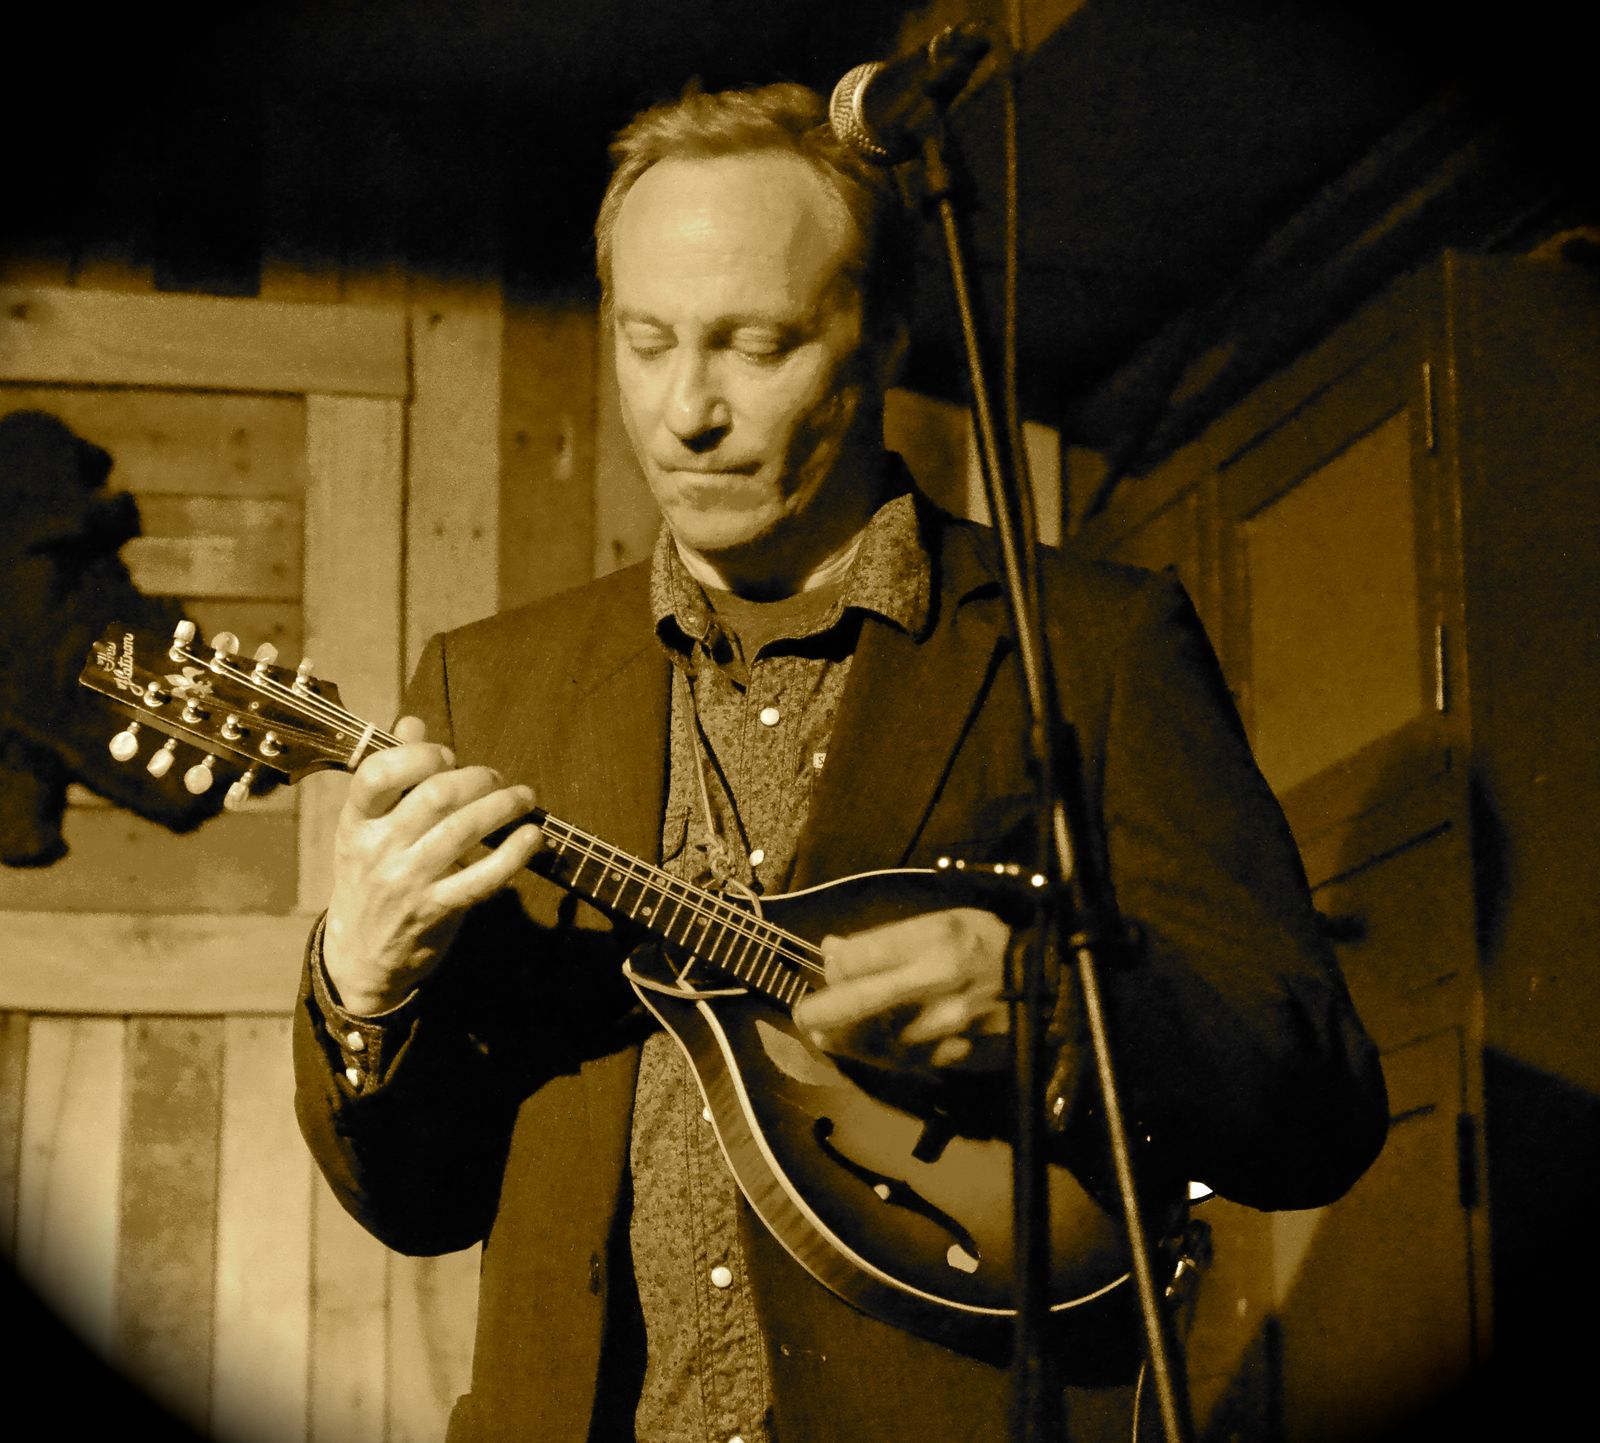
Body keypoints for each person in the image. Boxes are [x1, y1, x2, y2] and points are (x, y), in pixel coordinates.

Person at [292, 82, 1387, 1443]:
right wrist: (363, 986)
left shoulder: (1089, 644)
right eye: (646, 341)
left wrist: (1051, 1007)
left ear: (881, 338)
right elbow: (422, 1205)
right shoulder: (490, 685)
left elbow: (1320, 1105)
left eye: (756, 345)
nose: (685, 411)